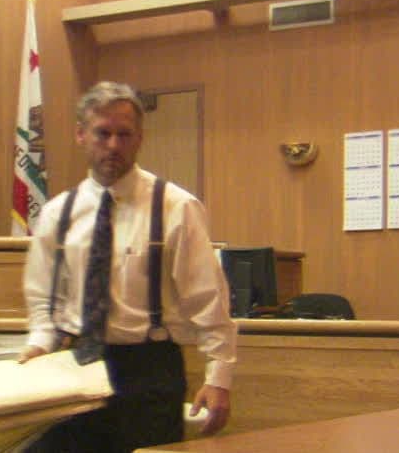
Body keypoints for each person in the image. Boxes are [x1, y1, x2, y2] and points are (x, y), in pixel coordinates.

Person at [19, 81, 237, 451]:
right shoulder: (58, 214)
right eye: (102, 133)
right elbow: (44, 299)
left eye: (124, 134)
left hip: (149, 371)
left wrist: (219, 377)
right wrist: (39, 344)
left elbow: (208, 300)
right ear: (81, 135)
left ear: (140, 138)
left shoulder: (176, 207)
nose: (113, 145)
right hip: (77, 366)